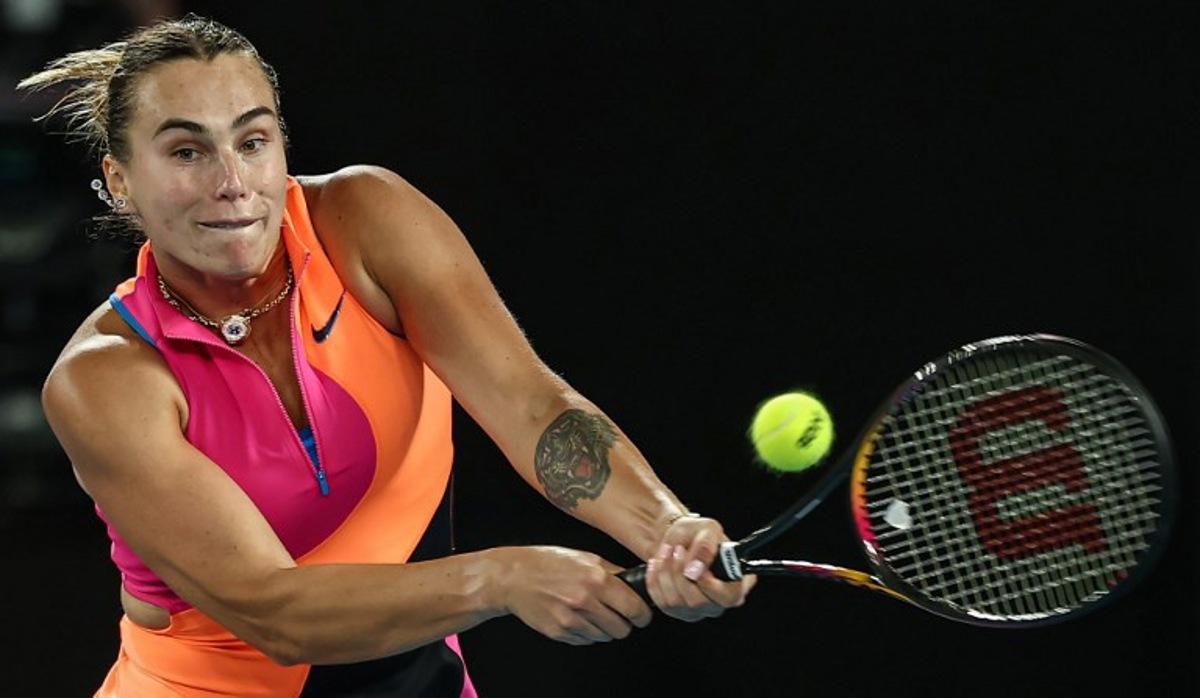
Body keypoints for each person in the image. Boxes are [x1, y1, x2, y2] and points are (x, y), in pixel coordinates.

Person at [22, 14, 755, 697]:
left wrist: (668, 535)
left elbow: (533, 407)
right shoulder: (104, 379)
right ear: (120, 180)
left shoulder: (367, 222)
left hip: (417, 675)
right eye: (187, 151)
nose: (232, 184)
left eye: (252, 141)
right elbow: (278, 614)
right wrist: (499, 580)